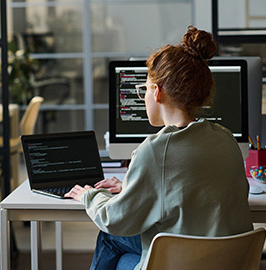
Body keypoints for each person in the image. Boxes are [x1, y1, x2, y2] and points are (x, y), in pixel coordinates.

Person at [65, 26, 253, 270]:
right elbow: (194, 187)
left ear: (157, 92)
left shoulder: (155, 150)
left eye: (144, 89)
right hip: (226, 261)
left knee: (111, 238)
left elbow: (112, 219)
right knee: (125, 253)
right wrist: (137, 188)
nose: (143, 97)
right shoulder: (225, 138)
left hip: (184, 263)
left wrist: (89, 195)